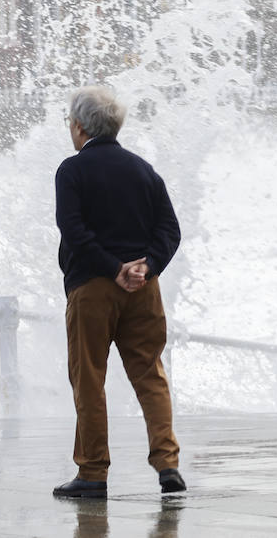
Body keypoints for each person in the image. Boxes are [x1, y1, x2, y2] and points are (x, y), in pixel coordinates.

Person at [52, 86, 186, 499]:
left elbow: (73, 231)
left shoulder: (72, 171)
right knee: (150, 375)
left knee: (90, 378)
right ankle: (167, 465)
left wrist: (113, 269)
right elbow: (170, 230)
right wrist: (146, 266)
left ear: (79, 127)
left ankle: (93, 473)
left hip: (93, 288)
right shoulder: (144, 170)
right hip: (144, 289)